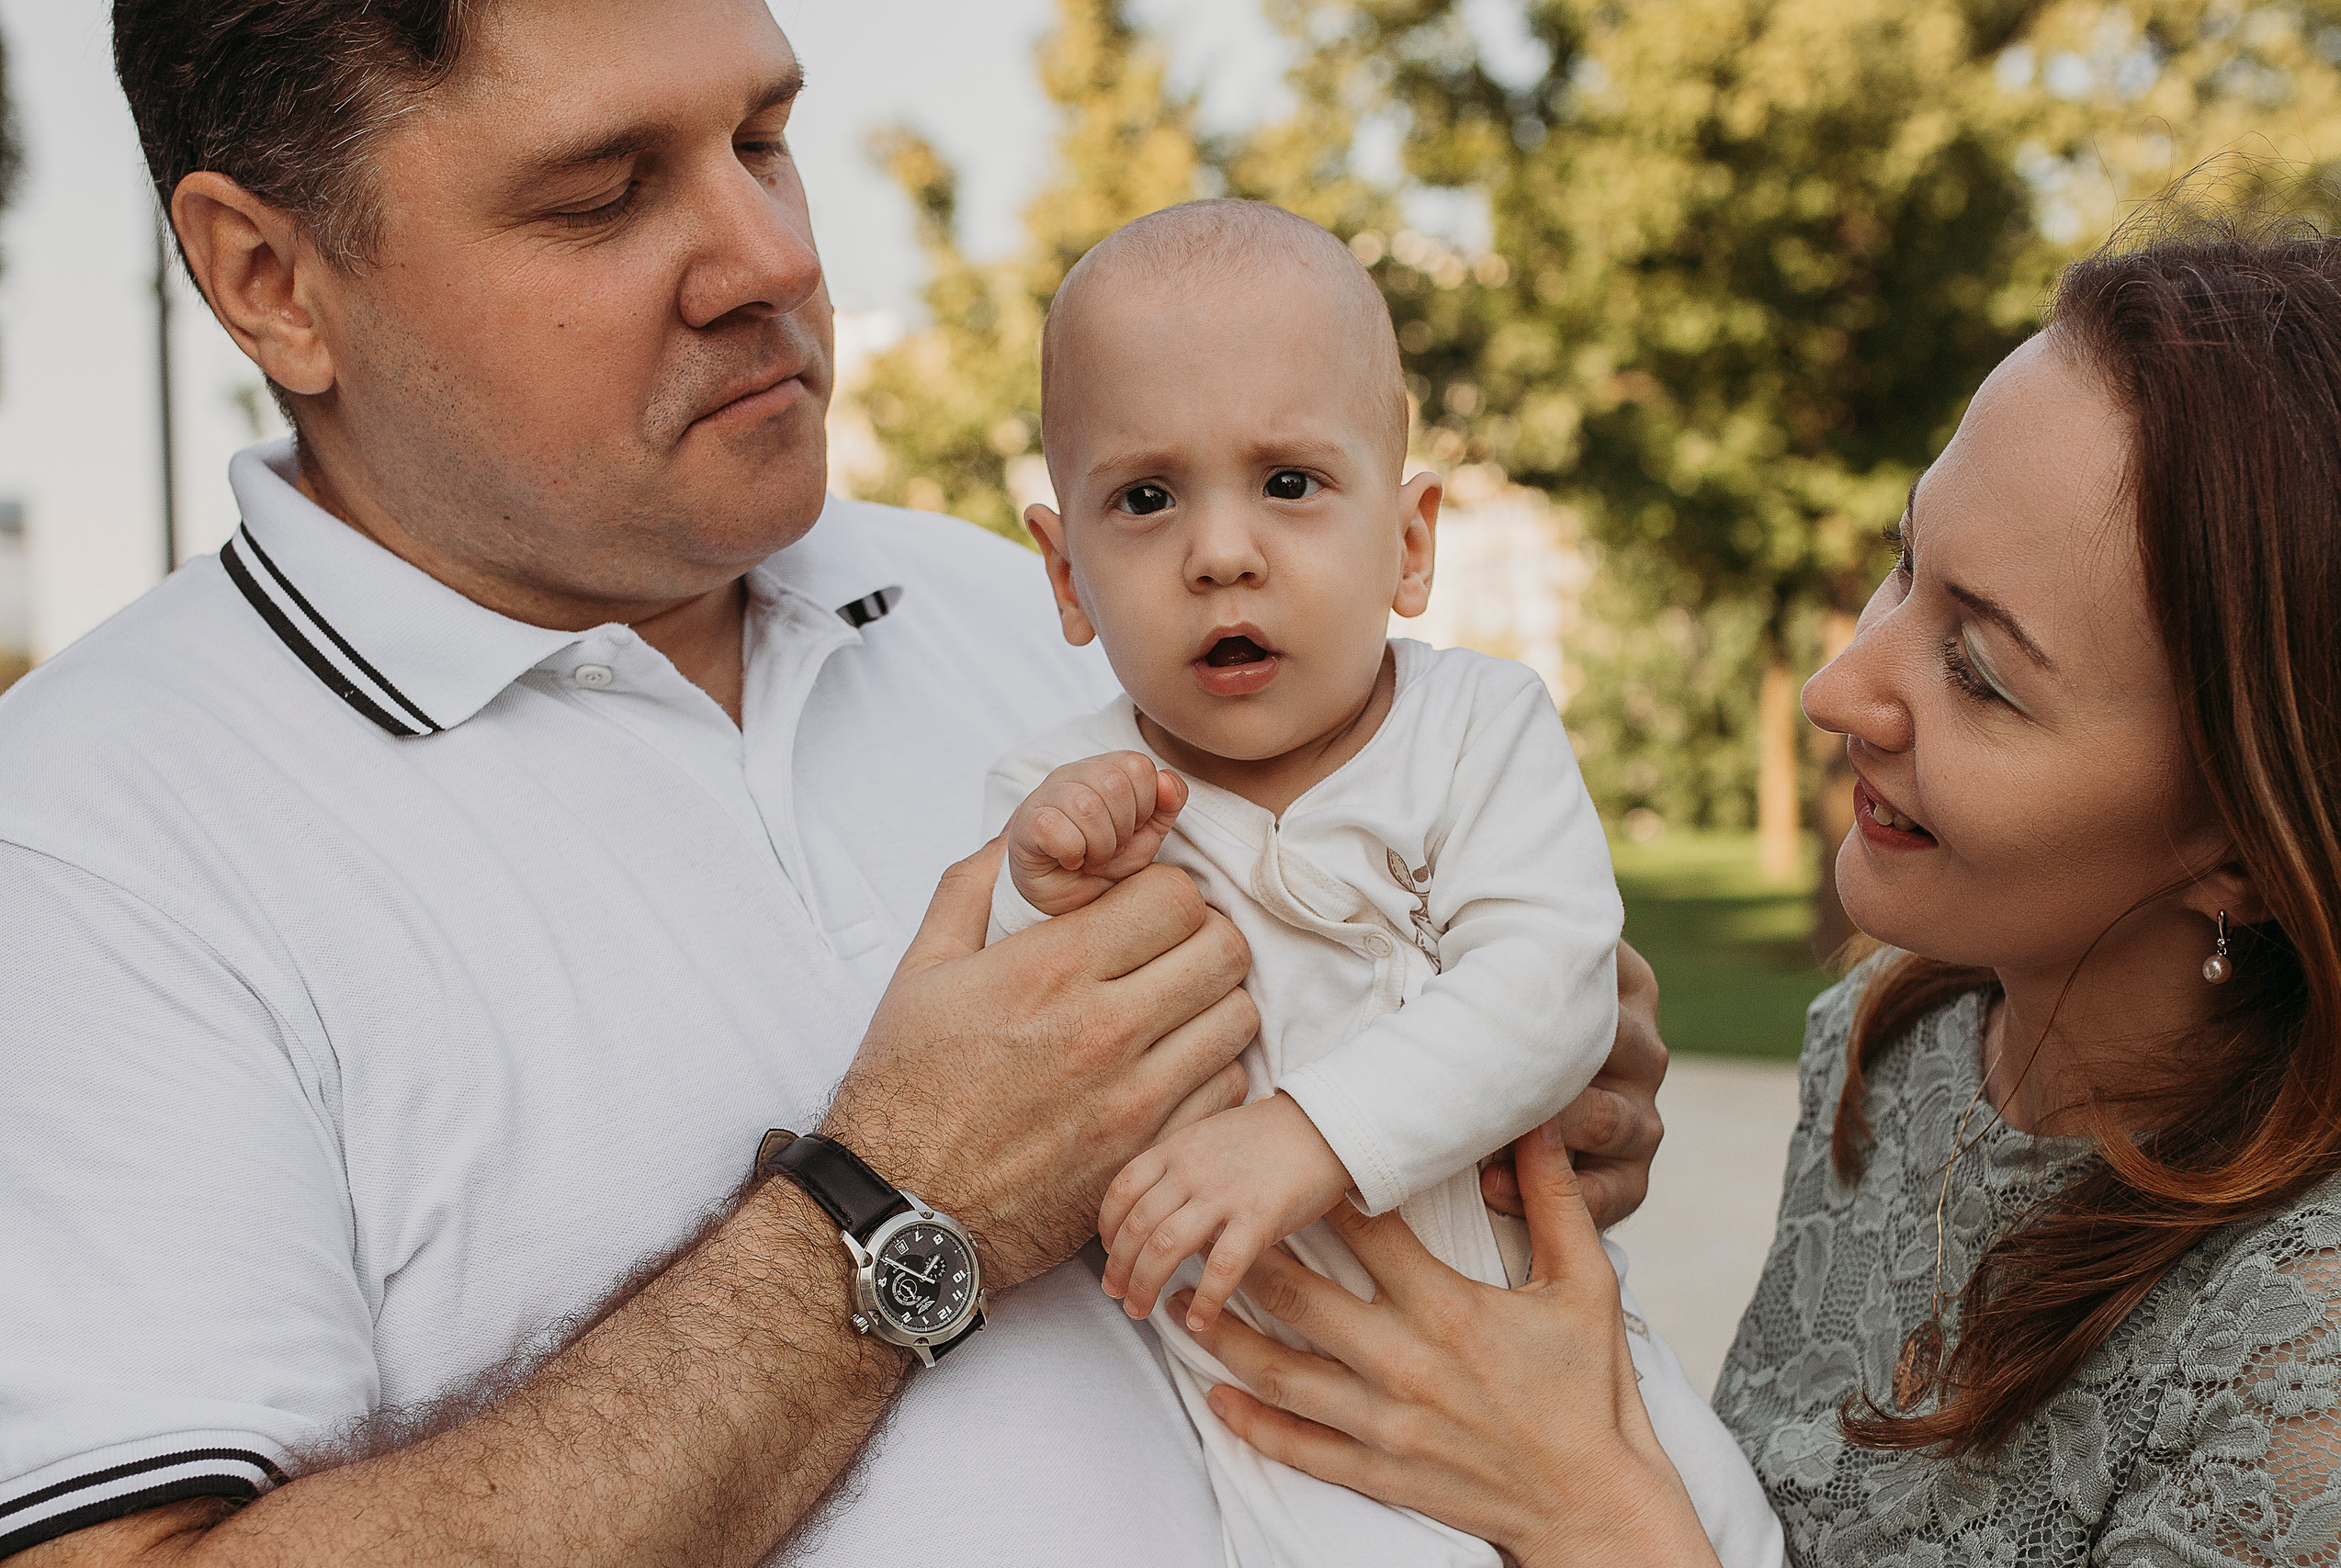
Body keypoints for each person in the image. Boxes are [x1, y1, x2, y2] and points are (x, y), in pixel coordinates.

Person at [0, 4, 1674, 1566]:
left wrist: (1498, 1081)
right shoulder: (83, 848)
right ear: (271, 278)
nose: (772, 256)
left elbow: (1456, 1042)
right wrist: (885, 1225)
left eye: (767, 139)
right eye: (602, 196)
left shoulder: (1056, 625)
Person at [1171, 219, 2341, 1566]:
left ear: (2249, 849)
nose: (1836, 690)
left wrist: (1587, 1512)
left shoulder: (2313, 1371)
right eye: (1905, 562)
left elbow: (1620, 1505)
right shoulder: (1891, 1041)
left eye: (1977, 670)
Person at [981, 199, 1781, 1568]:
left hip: (1554, 1344)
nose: (1220, 550)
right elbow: (1016, 1065)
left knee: (1722, 1526)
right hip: (1290, 1406)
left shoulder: (1480, 731)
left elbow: (1550, 986)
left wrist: (1309, 1134)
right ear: (1067, 574)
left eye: (1289, 483)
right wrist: (1038, 891)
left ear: (1410, 544)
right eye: (1146, 497)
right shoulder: (1062, 798)